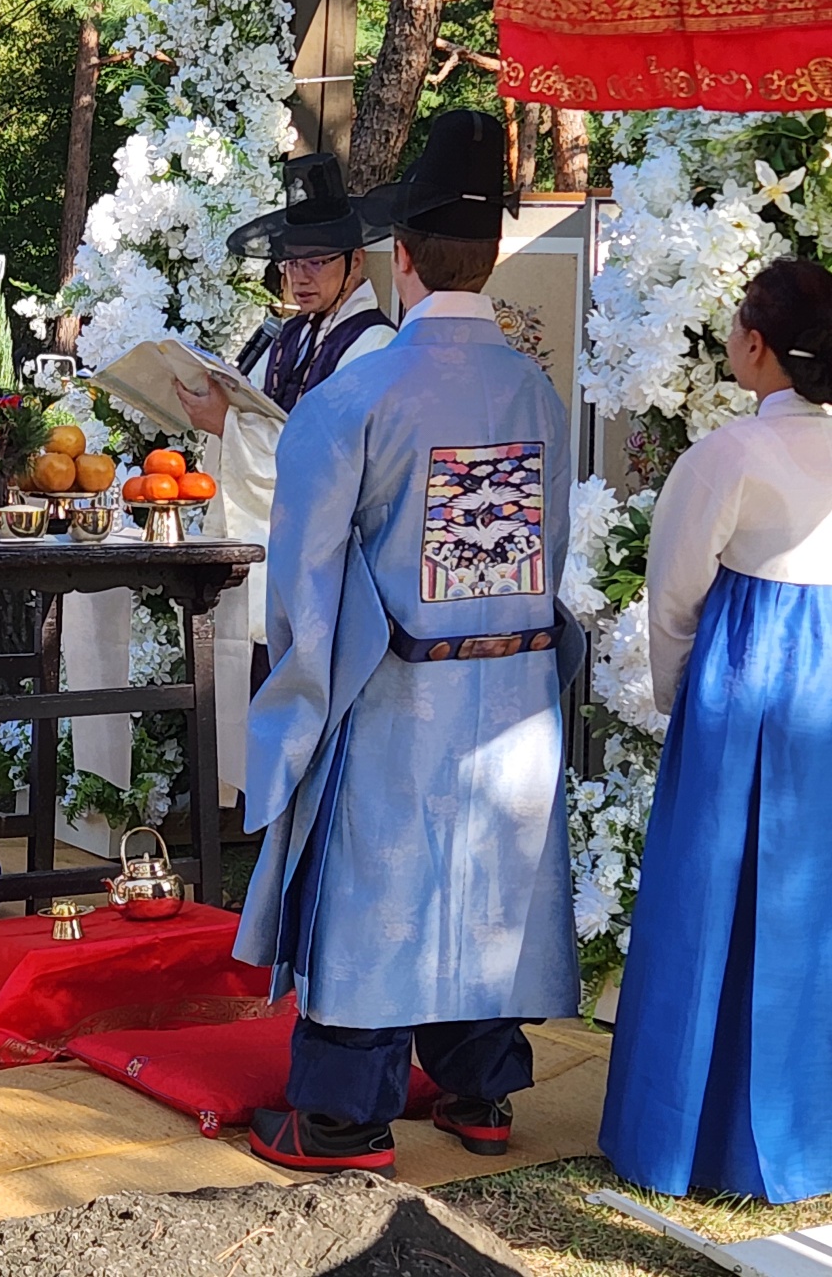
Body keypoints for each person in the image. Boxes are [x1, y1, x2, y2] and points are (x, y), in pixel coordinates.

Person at [234, 110, 584, 1173]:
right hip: (512, 684)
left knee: (373, 888)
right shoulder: (534, 391)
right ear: (488, 255)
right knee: (488, 877)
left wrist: (298, 689)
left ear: (397, 257)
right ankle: (480, 1087)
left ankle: (341, 1110)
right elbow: (550, 544)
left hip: (394, 687)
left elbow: (301, 574)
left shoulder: (355, 395)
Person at [600, 258, 832, 1204]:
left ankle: (684, 1133)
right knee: (809, 899)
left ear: (757, 345)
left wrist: (675, 692)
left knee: (708, 891)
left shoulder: (728, 454)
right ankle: (804, 1129)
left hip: (750, 668)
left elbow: (676, 590)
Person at [176, 154, 395, 688]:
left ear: (356, 263)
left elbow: (332, 461)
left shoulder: (375, 344)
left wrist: (229, 425)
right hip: (273, 551)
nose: (300, 277)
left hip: (331, 565)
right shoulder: (291, 335)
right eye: (292, 263)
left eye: (318, 261)